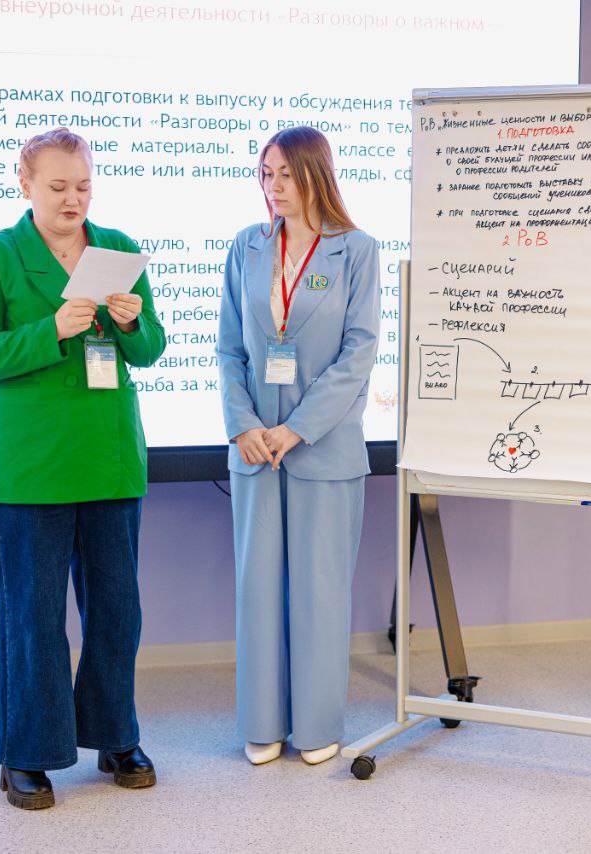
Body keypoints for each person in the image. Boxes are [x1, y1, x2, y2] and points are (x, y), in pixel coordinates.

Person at [0, 127, 166, 809]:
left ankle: (115, 737)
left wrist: (130, 324)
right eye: (57, 186)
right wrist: (51, 331)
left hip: (109, 459)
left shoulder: (118, 250)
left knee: (117, 612)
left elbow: (151, 349)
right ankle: (27, 753)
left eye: (83, 185)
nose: (73, 198)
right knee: (33, 617)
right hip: (32, 468)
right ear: (25, 184)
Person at [216, 125, 381, 766]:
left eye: (285, 173)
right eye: (266, 173)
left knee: (318, 591)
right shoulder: (246, 246)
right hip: (256, 449)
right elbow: (230, 348)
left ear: (316, 175)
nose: (273, 186)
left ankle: (316, 725)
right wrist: (243, 425)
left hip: (322, 448)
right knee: (257, 590)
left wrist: (297, 428)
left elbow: (358, 353)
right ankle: (261, 723)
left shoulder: (357, 251)